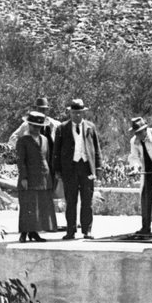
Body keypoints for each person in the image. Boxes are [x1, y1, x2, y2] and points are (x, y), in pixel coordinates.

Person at [49, 98, 101, 239]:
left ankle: (87, 230)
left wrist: (98, 169)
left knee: (87, 201)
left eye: (79, 113)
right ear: (69, 113)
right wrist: (57, 170)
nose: (77, 115)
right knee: (70, 201)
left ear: (83, 113)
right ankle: (70, 231)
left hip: (86, 169)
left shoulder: (90, 127)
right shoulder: (62, 128)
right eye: (74, 113)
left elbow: (96, 149)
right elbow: (56, 151)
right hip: (70, 169)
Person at [13, 109, 56, 241]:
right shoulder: (23, 140)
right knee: (27, 205)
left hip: (43, 177)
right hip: (29, 177)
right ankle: (24, 232)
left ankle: (34, 232)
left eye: (39, 126)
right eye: (33, 126)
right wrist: (24, 177)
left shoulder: (45, 140)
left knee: (39, 206)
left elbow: (47, 158)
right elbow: (21, 161)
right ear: (29, 125)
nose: (36, 129)